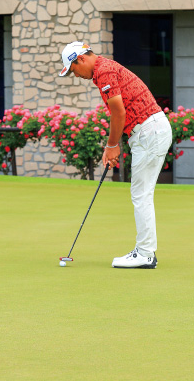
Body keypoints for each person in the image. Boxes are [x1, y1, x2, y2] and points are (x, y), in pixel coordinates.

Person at [58, 41, 172, 269]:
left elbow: (118, 112)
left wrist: (111, 146)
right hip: (150, 130)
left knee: (141, 195)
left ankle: (145, 254)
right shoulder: (105, 68)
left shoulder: (104, 71)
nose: (76, 75)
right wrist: (113, 145)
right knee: (142, 194)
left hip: (149, 131)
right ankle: (146, 252)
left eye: (73, 70)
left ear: (81, 59)